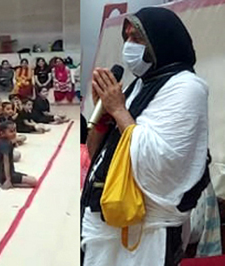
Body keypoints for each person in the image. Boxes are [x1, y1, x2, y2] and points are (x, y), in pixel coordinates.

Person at [82, 7, 209, 266]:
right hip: (104, 220)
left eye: (137, 38)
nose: (129, 46)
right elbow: (99, 156)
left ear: (161, 41)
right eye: (126, 37)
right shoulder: (137, 85)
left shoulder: (187, 87)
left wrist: (118, 109)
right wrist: (104, 118)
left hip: (145, 230)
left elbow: (162, 164)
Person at [0, 122, 36, 189]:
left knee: (32, 178)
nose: (14, 133)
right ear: (2, 133)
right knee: (33, 181)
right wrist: (8, 180)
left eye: (15, 130)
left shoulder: (7, 142)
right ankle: (2, 183)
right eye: (11, 131)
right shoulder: (4, 145)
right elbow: (6, 163)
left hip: (10, 172)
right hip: (5, 176)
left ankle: (6, 181)